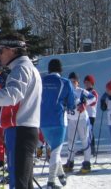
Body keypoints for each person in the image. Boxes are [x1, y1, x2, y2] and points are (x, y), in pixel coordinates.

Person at [0, 32, 41, 189]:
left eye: (1, 51)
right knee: (24, 183)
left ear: (13, 50)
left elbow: (11, 96)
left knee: (18, 183)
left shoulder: (20, 69)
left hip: (20, 132)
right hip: (24, 130)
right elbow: (21, 104)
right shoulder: (27, 68)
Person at [40, 59, 74, 189]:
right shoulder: (65, 82)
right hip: (59, 120)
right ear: (61, 69)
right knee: (55, 152)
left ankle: (61, 176)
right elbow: (71, 104)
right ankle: (51, 182)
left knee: (55, 151)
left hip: (43, 121)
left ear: (48, 69)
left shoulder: (41, 81)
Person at [63, 72, 96, 174]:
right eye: (70, 81)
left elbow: (93, 97)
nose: (72, 83)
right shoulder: (65, 91)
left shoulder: (81, 91)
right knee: (70, 142)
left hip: (82, 119)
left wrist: (85, 104)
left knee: (84, 140)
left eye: (74, 81)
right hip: (71, 119)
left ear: (78, 82)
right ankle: (70, 162)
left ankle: (87, 163)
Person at [82, 75, 99, 154]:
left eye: (88, 82)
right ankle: (86, 146)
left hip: (91, 114)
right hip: (84, 114)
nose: (86, 84)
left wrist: (86, 102)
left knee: (89, 131)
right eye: (85, 82)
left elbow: (94, 102)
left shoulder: (93, 92)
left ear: (92, 83)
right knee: (84, 131)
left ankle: (92, 147)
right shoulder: (85, 91)